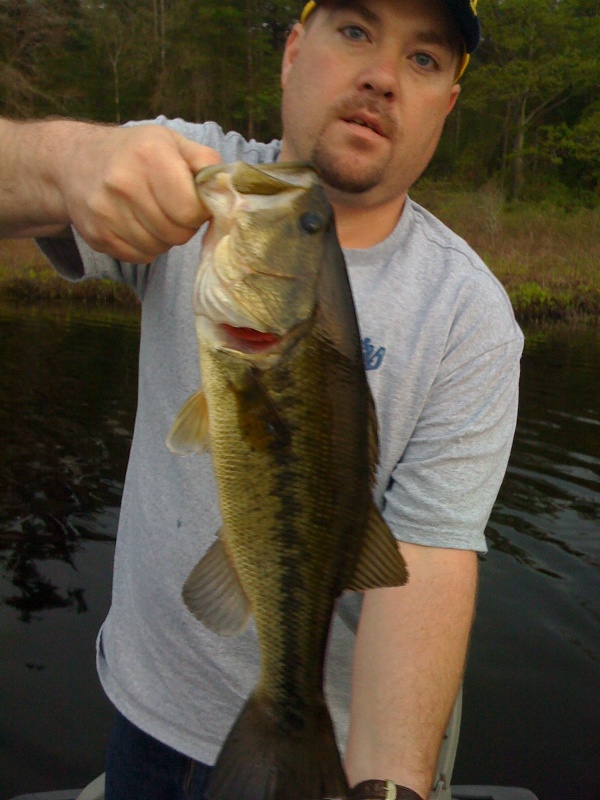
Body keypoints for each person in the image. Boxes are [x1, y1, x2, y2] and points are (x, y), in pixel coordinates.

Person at [0, 1, 524, 798]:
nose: (381, 76)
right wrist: (72, 161)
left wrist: (389, 785)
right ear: (291, 50)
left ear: (447, 102)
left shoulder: (468, 316)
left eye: (424, 59)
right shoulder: (201, 178)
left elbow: (422, 576)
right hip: (146, 717)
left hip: (324, 758)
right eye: (355, 30)